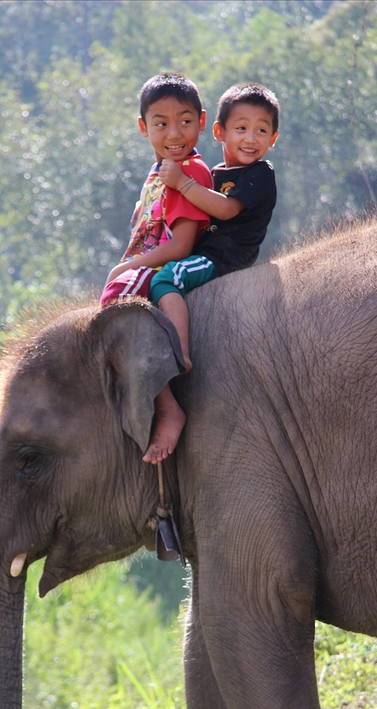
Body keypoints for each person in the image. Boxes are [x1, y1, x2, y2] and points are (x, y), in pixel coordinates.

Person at [100, 73, 213, 464]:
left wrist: (128, 267)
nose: (174, 133)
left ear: (202, 121)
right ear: (143, 127)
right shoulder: (158, 172)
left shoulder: (189, 174)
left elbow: (181, 244)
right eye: (161, 123)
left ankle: (167, 404)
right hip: (149, 259)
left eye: (184, 121)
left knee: (118, 297)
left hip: (169, 264)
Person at [153, 82, 279, 380]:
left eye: (261, 131)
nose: (250, 139)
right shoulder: (214, 174)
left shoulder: (261, 174)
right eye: (241, 128)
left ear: (273, 138)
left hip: (223, 257)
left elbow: (225, 209)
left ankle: (178, 353)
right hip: (205, 252)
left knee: (165, 279)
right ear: (220, 131)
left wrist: (183, 182)